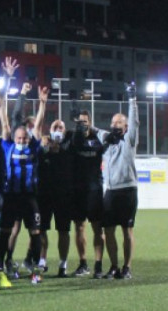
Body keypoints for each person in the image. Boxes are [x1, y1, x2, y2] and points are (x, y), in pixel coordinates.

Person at [0, 85, 48, 284]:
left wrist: (42, 103)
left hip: (29, 197)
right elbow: (3, 123)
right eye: (19, 138)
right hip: (10, 197)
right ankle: (2, 266)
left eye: (24, 138)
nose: (21, 140)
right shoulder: (7, 145)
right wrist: (1, 103)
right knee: (5, 232)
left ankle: (34, 269)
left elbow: (38, 126)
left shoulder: (34, 146)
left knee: (35, 232)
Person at [94, 85, 139, 279]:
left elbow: (135, 122)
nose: (115, 124)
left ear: (126, 126)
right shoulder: (108, 139)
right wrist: (80, 120)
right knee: (108, 231)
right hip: (110, 191)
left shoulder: (129, 139)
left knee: (127, 231)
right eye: (113, 122)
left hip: (128, 190)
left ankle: (127, 267)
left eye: (119, 122)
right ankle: (114, 266)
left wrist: (132, 99)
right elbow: (94, 130)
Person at [37, 119, 77, 277]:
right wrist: (45, 144)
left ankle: (63, 264)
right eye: (55, 127)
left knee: (63, 231)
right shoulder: (42, 149)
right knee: (41, 230)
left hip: (64, 197)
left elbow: (78, 134)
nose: (58, 130)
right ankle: (41, 261)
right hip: (44, 195)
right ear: (49, 130)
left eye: (61, 127)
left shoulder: (69, 149)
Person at [73, 109, 106, 277]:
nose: (83, 124)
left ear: (90, 122)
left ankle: (98, 265)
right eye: (80, 121)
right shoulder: (73, 139)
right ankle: (83, 263)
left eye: (85, 121)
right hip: (78, 190)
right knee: (79, 227)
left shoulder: (98, 138)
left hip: (95, 189)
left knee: (97, 228)